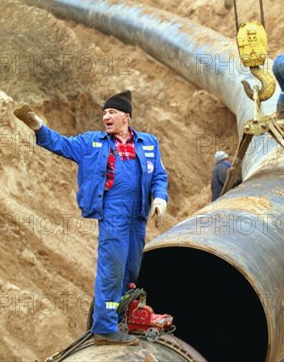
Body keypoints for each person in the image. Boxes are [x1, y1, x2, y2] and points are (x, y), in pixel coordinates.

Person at [13, 89, 168, 347]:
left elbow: (159, 176)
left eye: (112, 112)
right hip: (113, 214)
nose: (106, 116)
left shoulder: (148, 143)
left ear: (126, 117)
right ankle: (105, 327)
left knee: (131, 270)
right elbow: (59, 143)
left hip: (138, 216)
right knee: (112, 270)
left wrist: (160, 197)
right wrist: (37, 125)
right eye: (104, 112)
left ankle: (119, 316)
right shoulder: (91, 143)